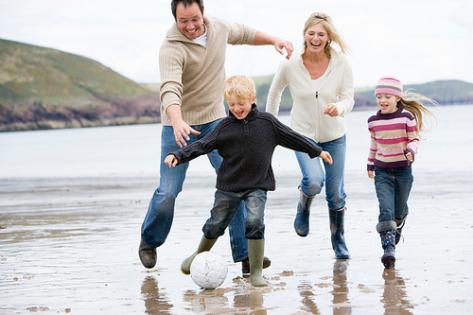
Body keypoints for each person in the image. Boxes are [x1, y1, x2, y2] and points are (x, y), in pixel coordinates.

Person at [139, 0, 294, 272]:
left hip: (216, 121)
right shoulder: (171, 48)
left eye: (194, 19)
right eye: (183, 20)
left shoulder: (219, 28)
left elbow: (244, 34)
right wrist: (177, 122)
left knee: (235, 183)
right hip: (178, 125)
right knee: (168, 192)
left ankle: (246, 256)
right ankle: (149, 241)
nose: (190, 26)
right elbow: (170, 90)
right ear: (175, 18)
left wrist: (274, 40)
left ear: (203, 13)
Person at [164, 75, 333, 286]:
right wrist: (178, 155)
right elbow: (202, 145)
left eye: (241, 103)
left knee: (254, 222)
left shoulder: (267, 123)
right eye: (231, 104)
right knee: (216, 224)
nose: (236, 108)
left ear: (252, 99)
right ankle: (197, 255)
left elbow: (293, 137)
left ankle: (255, 273)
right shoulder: (224, 127)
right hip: (229, 187)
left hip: (257, 185)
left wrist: (317, 151)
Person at [265, 12, 354, 259]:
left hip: (334, 136)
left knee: (336, 193)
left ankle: (338, 239)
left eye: (321, 34)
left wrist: (340, 108)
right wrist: (270, 125)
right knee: (314, 181)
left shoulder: (341, 63)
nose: (315, 38)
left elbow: (349, 98)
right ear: (304, 35)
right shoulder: (290, 64)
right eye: (311, 33)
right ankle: (304, 204)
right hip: (302, 135)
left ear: (328, 38)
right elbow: (274, 94)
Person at [367, 77, 432, 269]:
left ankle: (399, 222)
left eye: (387, 96)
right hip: (382, 171)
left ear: (397, 98)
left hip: (403, 170)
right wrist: (370, 164)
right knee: (386, 209)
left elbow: (414, 139)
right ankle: (388, 249)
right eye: (379, 96)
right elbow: (374, 145)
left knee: (399, 210)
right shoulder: (373, 121)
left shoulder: (407, 118)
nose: (382, 100)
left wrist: (411, 151)